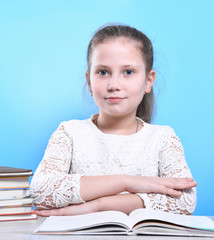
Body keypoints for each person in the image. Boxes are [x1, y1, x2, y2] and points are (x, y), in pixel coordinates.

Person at [30, 24, 197, 217]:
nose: (114, 85)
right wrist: (127, 182)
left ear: (148, 81)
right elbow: (39, 191)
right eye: (103, 72)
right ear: (89, 81)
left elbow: (185, 200)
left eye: (128, 72)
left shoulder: (163, 138)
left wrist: (97, 206)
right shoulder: (69, 132)